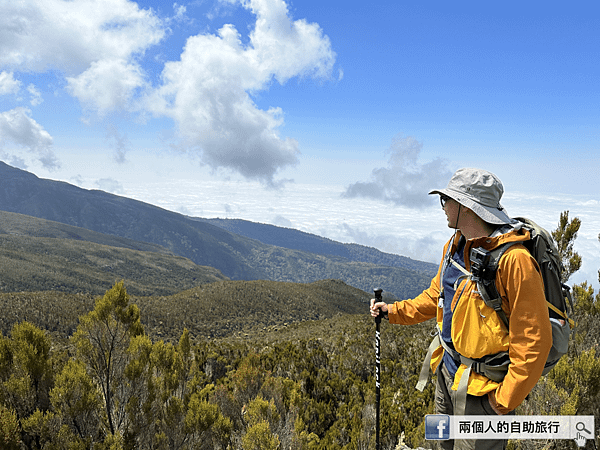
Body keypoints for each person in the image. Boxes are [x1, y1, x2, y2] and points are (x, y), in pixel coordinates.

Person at [370, 168, 552, 450]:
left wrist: (502, 401)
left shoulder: (515, 261)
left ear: (467, 208)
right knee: (441, 444)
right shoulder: (456, 245)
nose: (443, 207)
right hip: (448, 372)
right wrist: (392, 311)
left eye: (447, 200)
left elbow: (533, 340)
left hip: (484, 389)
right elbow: (437, 296)